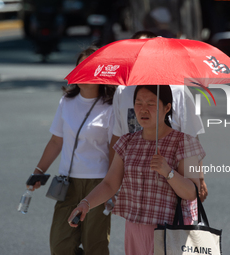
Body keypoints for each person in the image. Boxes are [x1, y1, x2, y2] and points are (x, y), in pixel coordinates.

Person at [68, 85, 205, 255]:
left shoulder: (184, 142)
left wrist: (168, 172)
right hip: (133, 230)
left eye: (151, 103)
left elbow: (192, 192)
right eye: (138, 103)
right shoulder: (127, 142)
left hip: (169, 230)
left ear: (167, 107)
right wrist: (85, 204)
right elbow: (110, 184)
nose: (143, 109)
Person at [30, 46, 116, 255]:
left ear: (101, 74)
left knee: (94, 245)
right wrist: (38, 171)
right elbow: (56, 142)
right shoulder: (66, 102)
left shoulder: (111, 107)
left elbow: (115, 150)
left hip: (98, 183)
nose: (83, 71)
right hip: (66, 183)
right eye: (81, 67)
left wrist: (114, 188)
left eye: (91, 67)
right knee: (60, 245)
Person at [109, 31, 209, 201]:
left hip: (174, 179)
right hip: (136, 183)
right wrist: (112, 183)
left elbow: (191, 138)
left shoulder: (178, 90)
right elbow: (117, 137)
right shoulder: (123, 91)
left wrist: (199, 178)